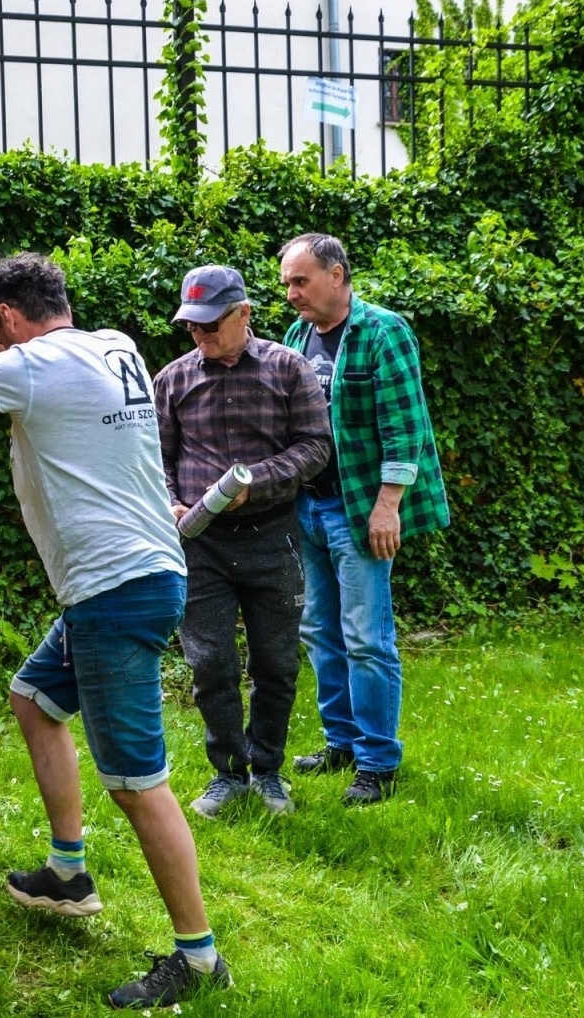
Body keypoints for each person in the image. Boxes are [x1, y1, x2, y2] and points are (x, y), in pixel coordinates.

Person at [0, 253, 231, 1010]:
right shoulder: (114, 348)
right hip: (146, 574)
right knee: (34, 699)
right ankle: (69, 874)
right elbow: (23, 366)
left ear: (12, 319)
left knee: (138, 786)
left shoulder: (28, 369)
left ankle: (200, 958)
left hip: (112, 592)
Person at [153, 265, 331, 819]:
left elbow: (315, 448)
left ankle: (269, 772)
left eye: (210, 325)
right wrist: (171, 502)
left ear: (244, 314)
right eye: (192, 327)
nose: (200, 337)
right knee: (210, 664)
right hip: (199, 542)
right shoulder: (173, 379)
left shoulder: (288, 369)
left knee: (276, 662)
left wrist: (253, 484)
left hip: (271, 535)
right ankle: (227, 773)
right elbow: (152, 461)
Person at [277, 233, 449, 806]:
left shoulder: (383, 331)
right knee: (320, 630)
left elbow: (407, 427)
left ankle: (377, 761)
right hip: (309, 506)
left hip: (358, 510)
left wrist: (387, 504)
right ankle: (342, 742)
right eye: (287, 284)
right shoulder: (298, 337)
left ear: (337, 274)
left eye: (300, 281)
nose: (292, 294)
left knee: (366, 638)